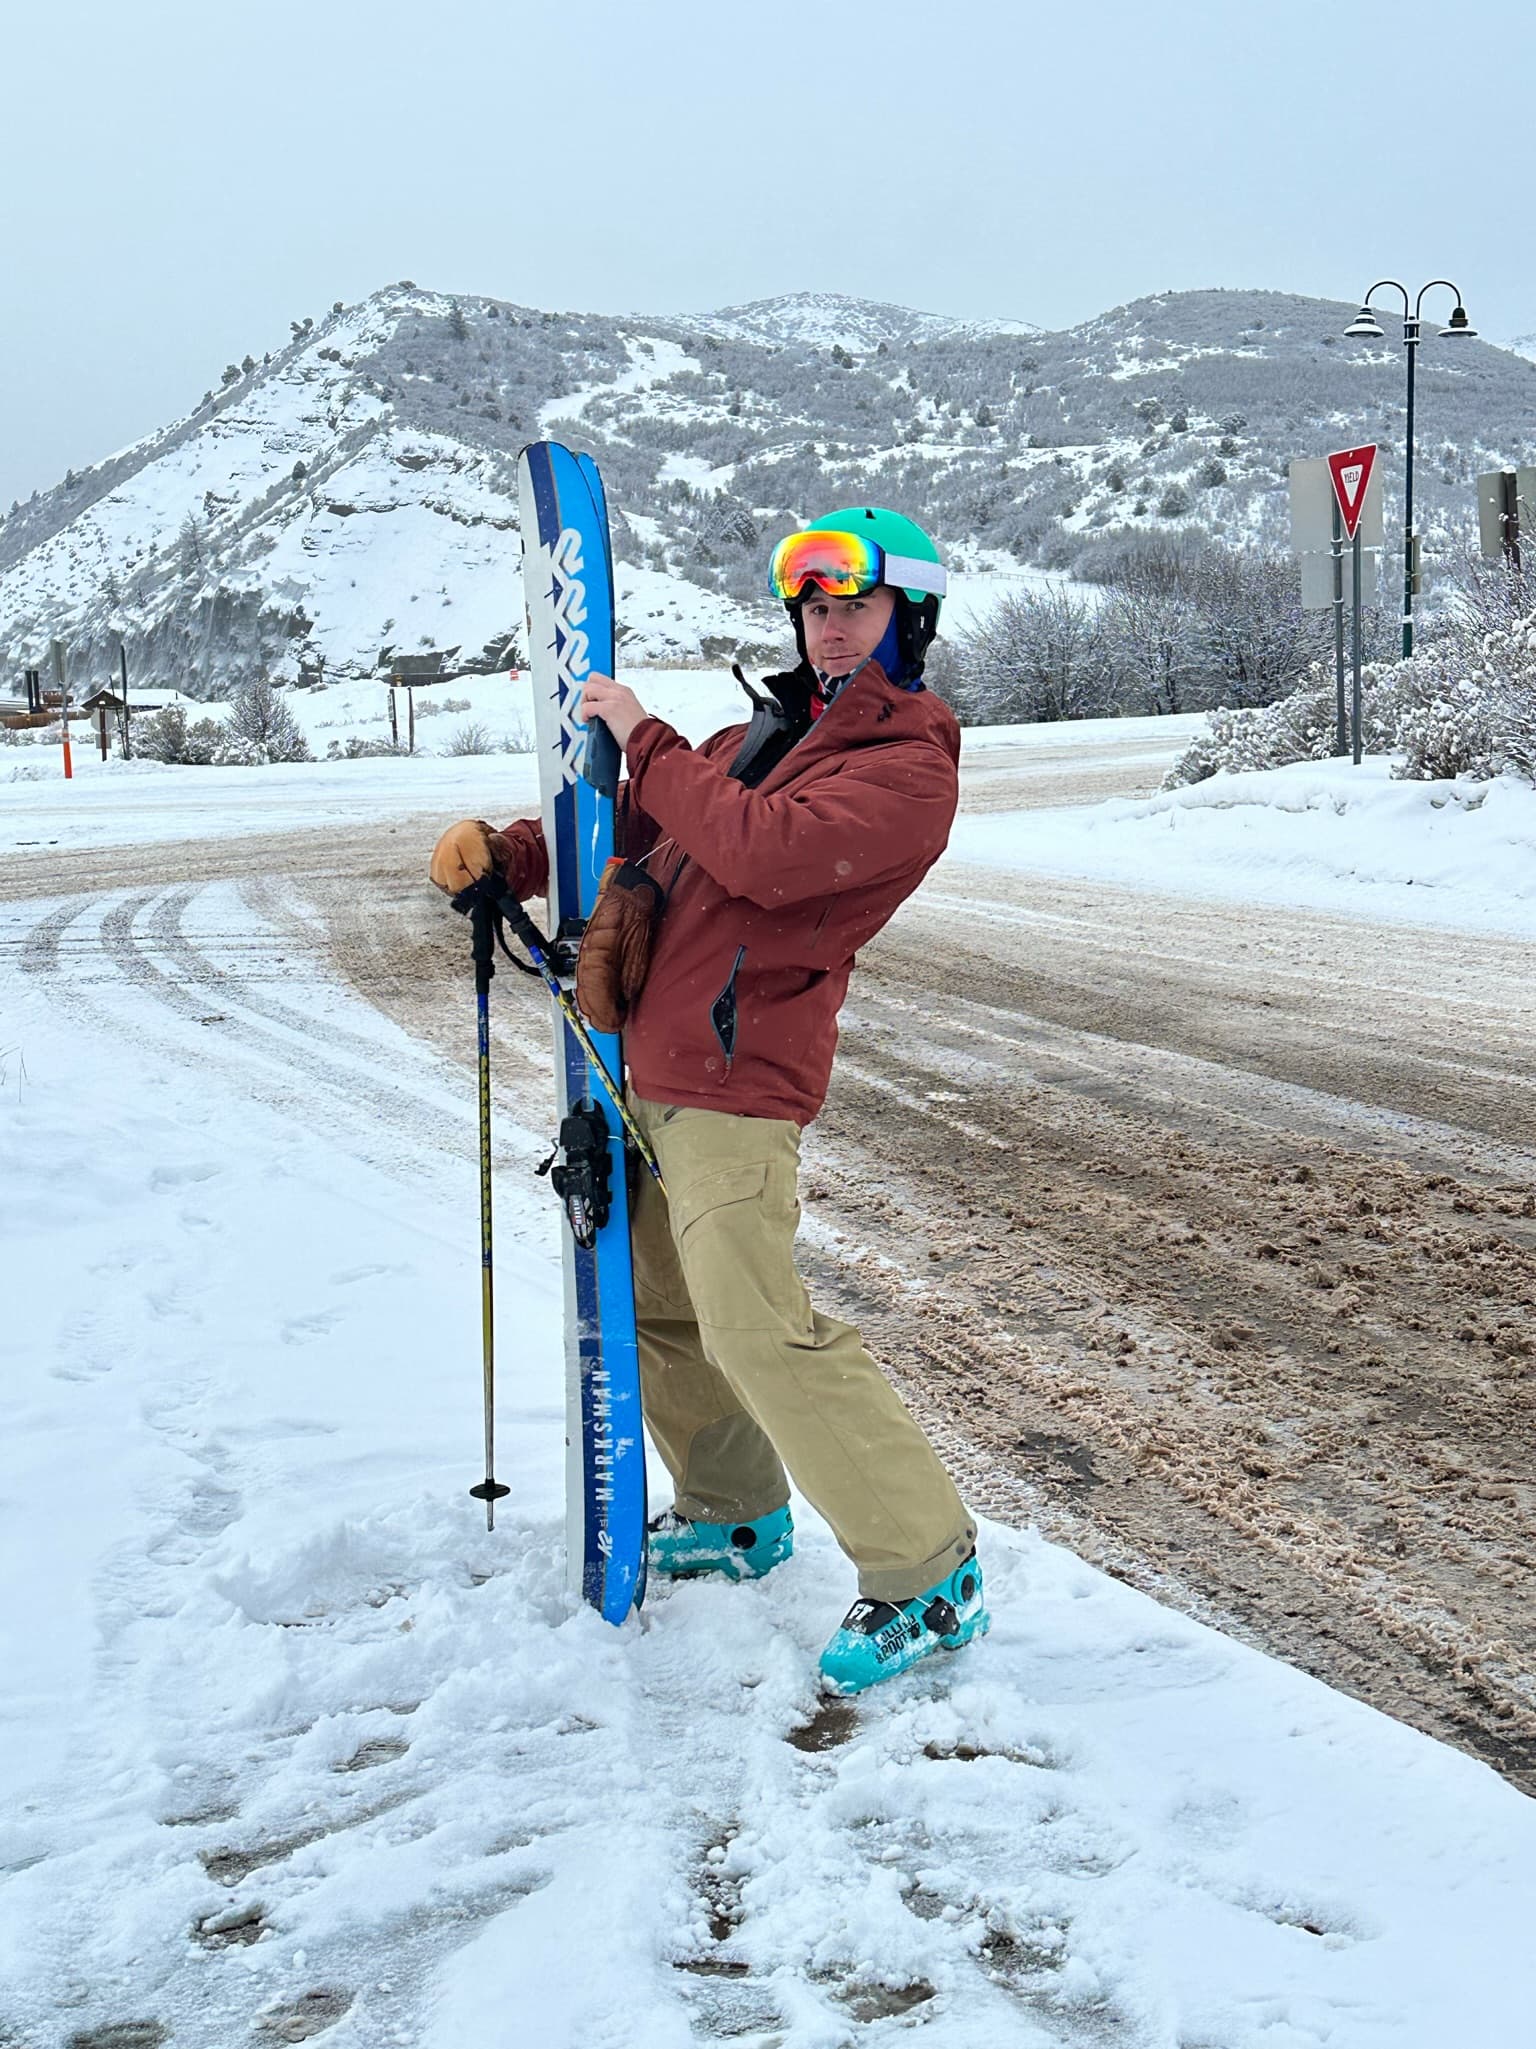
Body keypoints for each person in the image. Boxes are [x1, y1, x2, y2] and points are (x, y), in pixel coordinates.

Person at [430, 506, 986, 1694]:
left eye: (857, 607)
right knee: (659, 1308)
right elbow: (628, 828)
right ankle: (736, 1511)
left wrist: (649, 735)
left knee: (754, 1322)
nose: (831, 630)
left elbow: (761, 853)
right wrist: (511, 854)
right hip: (647, 1068)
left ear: (911, 621)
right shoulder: (762, 735)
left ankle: (931, 1571)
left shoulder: (908, 765)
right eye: (817, 609)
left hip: (742, 1082)